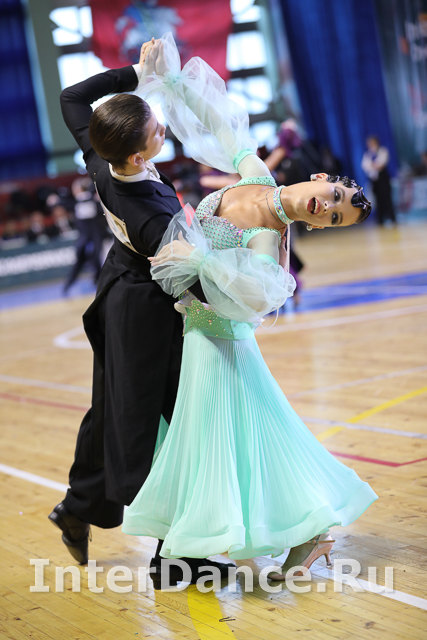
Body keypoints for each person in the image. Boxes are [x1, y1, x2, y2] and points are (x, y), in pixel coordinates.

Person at [122, 35, 377, 586]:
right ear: (321, 179)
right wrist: (174, 83)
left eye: (333, 218)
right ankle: (299, 533)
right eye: (334, 198)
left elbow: (254, 295)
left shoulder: (270, 237)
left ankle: (262, 537)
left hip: (219, 341)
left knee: (225, 442)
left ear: (320, 227)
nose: (326, 208)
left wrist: (201, 259)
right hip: (201, 336)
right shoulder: (257, 175)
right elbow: (221, 123)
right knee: (247, 439)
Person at [48, 39, 233, 585]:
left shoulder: (100, 155)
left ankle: (81, 506)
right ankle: (173, 557)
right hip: (147, 311)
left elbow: (71, 96)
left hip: (121, 292)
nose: (163, 126)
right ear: (136, 155)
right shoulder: (149, 218)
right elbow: (192, 280)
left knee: (116, 410)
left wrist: (135, 71)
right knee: (167, 424)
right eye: (156, 128)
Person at [361, 135, 396, 226]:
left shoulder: (382, 151)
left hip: (383, 178)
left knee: (387, 198)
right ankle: (380, 220)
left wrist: (373, 165)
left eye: (372, 143)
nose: (370, 145)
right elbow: (365, 166)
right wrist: (373, 165)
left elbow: (381, 164)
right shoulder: (368, 154)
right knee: (377, 199)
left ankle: (392, 218)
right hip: (374, 180)